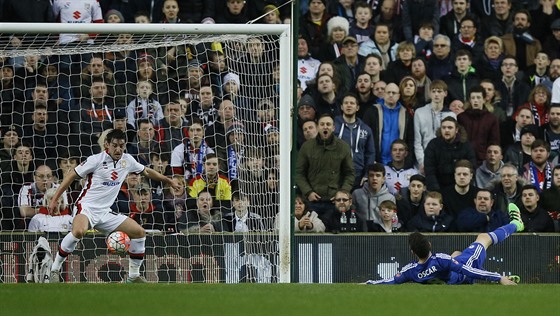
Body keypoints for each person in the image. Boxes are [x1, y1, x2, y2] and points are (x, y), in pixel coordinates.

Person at [48, 129, 182, 283]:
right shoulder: (95, 160)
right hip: (87, 207)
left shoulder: (128, 160)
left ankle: (133, 277)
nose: (118, 149)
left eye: (121, 146)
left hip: (105, 212)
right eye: (115, 145)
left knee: (139, 232)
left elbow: (147, 171)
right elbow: (71, 175)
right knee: (78, 231)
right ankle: (54, 269)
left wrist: (168, 180)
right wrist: (54, 199)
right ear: (107, 145)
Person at [365, 203, 524, 285]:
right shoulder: (441, 259)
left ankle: (497, 277)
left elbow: (390, 280)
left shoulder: (410, 271)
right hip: (461, 275)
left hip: (451, 275)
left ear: (412, 252)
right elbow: (468, 270)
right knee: (483, 238)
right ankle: (516, 223)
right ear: (429, 244)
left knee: (455, 254)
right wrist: (498, 278)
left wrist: (368, 283)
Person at [296, 113, 355, 231]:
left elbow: (350, 173)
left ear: (333, 128)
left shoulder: (343, 147)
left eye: (328, 124)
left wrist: (341, 194)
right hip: (311, 201)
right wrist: (308, 192)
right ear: (318, 127)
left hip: (333, 202)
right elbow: (299, 173)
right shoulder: (307, 147)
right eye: (322, 124)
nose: (325, 127)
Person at [424, 117, 476, 191]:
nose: (446, 130)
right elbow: (429, 170)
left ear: (456, 130)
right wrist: (436, 190)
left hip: (459, 188)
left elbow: (471, 169)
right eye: (444, 127)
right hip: (438, 187)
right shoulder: (433, 145)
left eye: (450, 127)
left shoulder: (466, 146)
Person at [352, 163, 395, 232]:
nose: (374, 178)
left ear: (383, 179)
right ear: (368, 178)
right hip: (360, 233)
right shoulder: (357, 194)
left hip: (381, 235)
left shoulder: (390, 198)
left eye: (378, 175)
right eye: (371, 175)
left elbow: (392, 220)